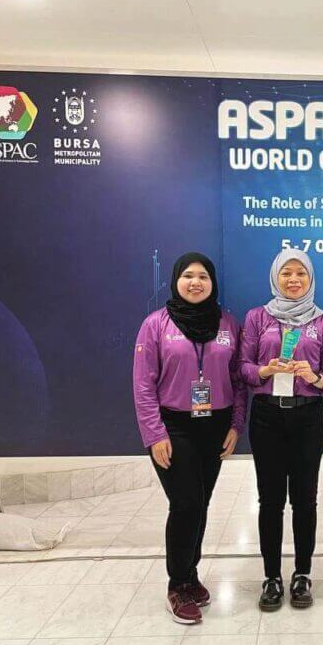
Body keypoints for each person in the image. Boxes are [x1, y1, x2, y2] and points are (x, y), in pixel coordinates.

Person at [133, 252, 246, 625]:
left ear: (212, 283)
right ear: (176, 281)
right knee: (186, 503)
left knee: (202, 502)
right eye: (188, 276)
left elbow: (239, 379)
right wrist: (154, 434)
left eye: (203, 277)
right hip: (174, 426)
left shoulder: (227, 323)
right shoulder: (155, 325)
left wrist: (235, 425)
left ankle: (191, 574)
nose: (195, 282)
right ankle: (177, 584)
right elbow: (143, 385)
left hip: (215, 425)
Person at [239, 249, 323, 611]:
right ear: (275, 277)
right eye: (286, 273)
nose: (293, 280)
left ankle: (302, 574)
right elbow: (244, 369)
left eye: (301, 273)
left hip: (307, 417)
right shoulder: (257, 318)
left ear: (310, 279)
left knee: (304, 499)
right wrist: (266, 371)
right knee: (270, 500)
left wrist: (313, 377)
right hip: (267, 416)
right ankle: (271, 577)